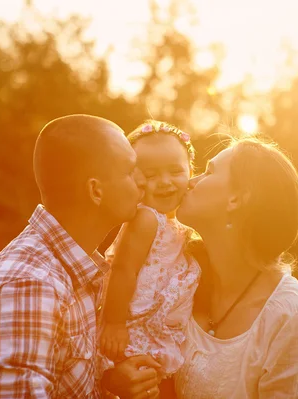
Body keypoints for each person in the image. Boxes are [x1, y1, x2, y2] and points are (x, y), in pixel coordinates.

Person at [0, 114, 161, 399]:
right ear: (95, 191)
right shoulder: (31, 285)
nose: (143, 182)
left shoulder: (73, 269)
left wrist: (109, 381)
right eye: (129, 171)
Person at [172, 137, 298, 398]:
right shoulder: (176, 275)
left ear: (237, 199)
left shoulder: (289, 312)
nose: (190, 182)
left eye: (208, 172)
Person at [100, 121, 201, 382]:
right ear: (134, 177)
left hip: (157, 335)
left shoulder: (181, 226)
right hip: (130, 330)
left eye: (175, 170)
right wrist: (114, 323)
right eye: (151, 174)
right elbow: (122, 270)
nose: (165, 182)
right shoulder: (146, 219)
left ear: (191, 170)